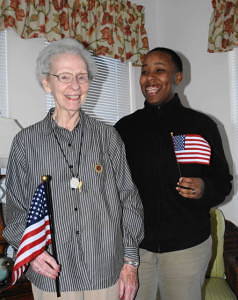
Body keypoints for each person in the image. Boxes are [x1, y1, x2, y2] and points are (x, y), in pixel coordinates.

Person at [3, 38, 144, 300]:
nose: (75, 86)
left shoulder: (108, 137)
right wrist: (31, 252)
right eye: (64, 77)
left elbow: (129, 200)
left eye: (82, 77)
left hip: (106, 271)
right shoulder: (26, 142)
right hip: (52, 274)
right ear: (47, 82)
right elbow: (15, 208)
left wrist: (130, 262)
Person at [115, 47, 233, 300]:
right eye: (144, 71)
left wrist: (204, 188)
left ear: (178, 77)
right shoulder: (125, 128)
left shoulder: (201, 126)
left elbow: (224, 182)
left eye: (159, 70)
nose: (150, 78)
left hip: (187, 247)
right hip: (136, 249)